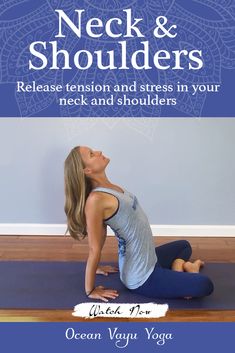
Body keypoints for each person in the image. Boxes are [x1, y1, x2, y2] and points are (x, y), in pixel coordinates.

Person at [64, 146, 214, 302]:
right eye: (92, 154)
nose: (99, 152)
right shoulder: (95, 200)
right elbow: (94, 247)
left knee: (184, 246)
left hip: (150, 258)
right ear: (87, 170)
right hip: (142, 277)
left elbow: (101, 236)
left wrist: (98, 268)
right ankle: (189, 270)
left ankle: (179, 267)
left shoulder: (111, 188)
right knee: (205, 285)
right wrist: (90, 290)